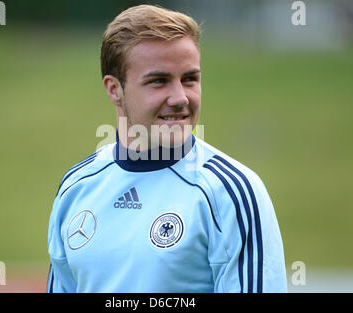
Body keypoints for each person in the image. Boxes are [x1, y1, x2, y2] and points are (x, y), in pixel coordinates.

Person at [47, 4, 287, 293]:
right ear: (114, 89)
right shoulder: (76, 187)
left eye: (190, 79)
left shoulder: (230, 192)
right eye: (159, 81)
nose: (180, 98)